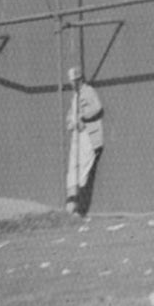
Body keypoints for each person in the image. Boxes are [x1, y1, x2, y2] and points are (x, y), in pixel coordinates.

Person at [64, 65, 104, 217]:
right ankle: (70, 206)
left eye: (74, 80)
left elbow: (97, 107)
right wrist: (70, 121)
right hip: (76, 135)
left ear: (80, 79)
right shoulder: (75, 95)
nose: (72, 83)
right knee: (72, 169)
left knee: (83, 170)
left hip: (87, 135)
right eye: (71, 81)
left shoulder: (88, 91)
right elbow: (70, 115)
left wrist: (83, 117)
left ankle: (79, 209)